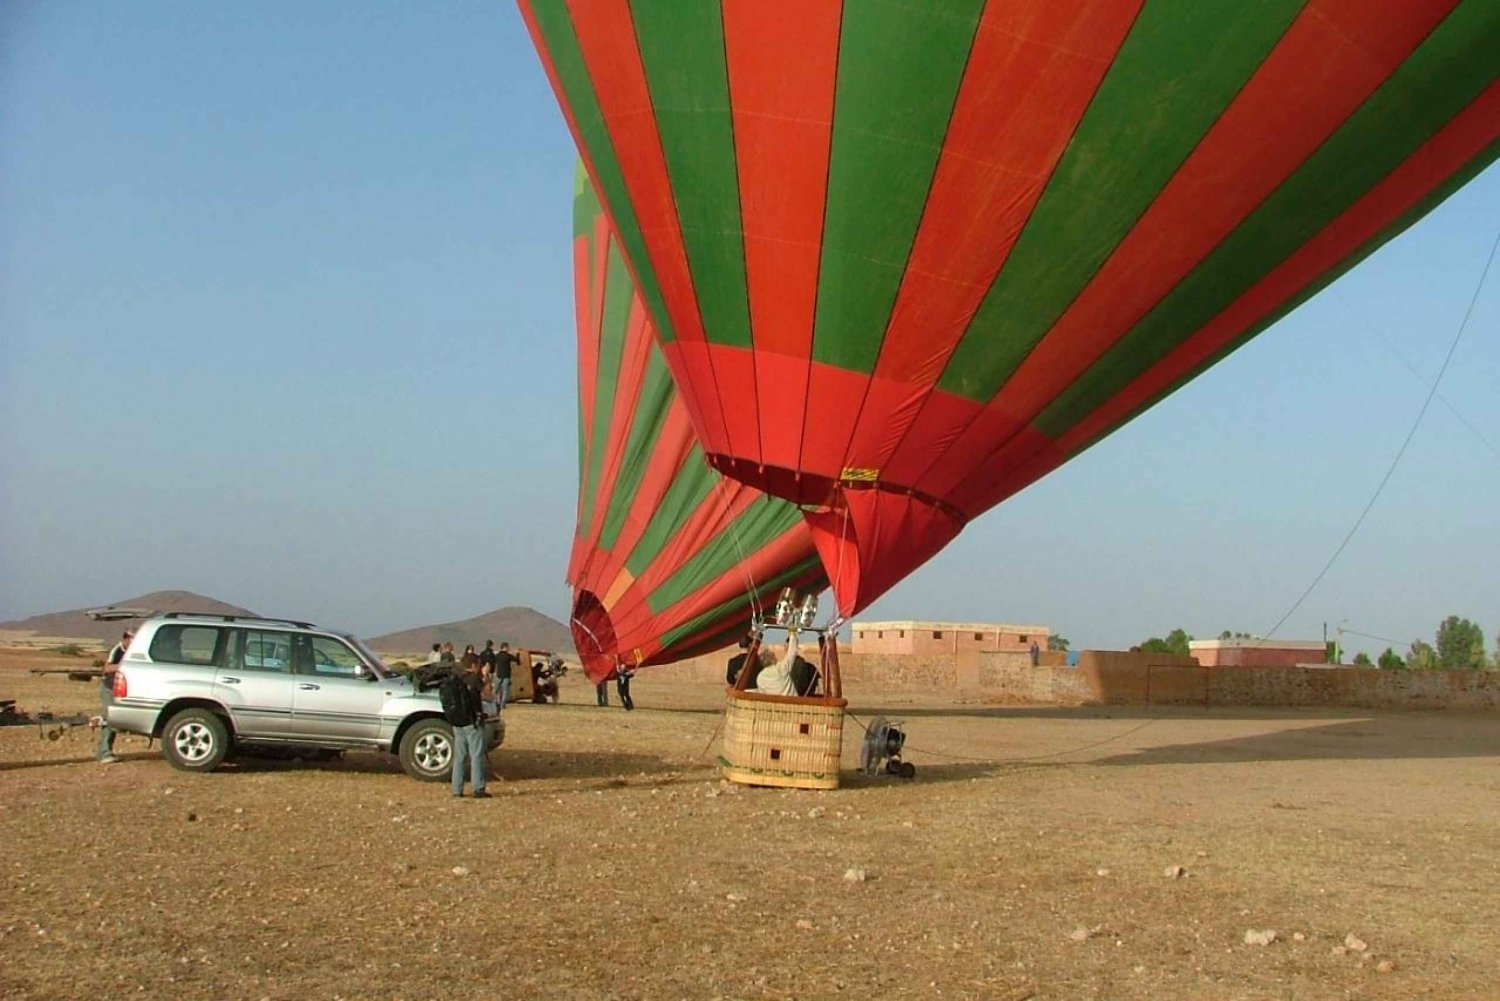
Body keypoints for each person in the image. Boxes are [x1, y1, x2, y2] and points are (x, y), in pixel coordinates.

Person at [440, 658, 490, 799]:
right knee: (476, 755)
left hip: (457, 722)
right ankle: (478, 788)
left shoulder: (457, 679)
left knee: (460, 756)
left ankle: (457, 789)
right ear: (473, 665)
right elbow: (488, 694)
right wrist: (485, 676)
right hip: (472, 722)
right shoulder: (474, 679)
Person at [98, 629, 132, 763]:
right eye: (131, 638)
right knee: (109, 718)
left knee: (115, 719)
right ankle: (105, 752)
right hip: (109, 688)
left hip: (121, 689)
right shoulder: (117, 650)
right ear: (125, 639)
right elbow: (107, 668)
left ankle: (105, 750)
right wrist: (122, 666)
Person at [494, 642, 518, 710]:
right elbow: (516, 659)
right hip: (506, 675)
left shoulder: (497, 655)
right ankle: (502, 705)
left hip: (498, 675)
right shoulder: (508, 656)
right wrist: (518, 655)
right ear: (505, 647)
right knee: (505, 691)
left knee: (495, 691)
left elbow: (493, 662)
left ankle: (493, 703)